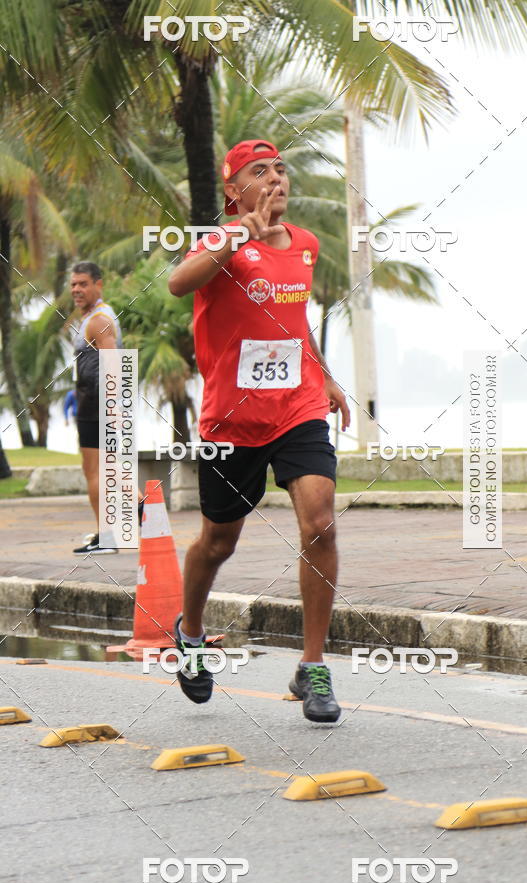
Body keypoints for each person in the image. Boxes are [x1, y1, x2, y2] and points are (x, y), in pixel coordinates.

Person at [168, 139, 351, 723]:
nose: (276, 179)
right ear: (233, 190)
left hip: (296, 409)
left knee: (320, 522)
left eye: (280, 169)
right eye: (259, 172)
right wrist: (236, 240)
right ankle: (191, 635)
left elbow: (294, 321)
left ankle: (313, 666)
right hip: (232, 420)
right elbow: (179, 283)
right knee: (218, 542)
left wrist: (325, 379)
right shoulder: (220, 242)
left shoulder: (305, 245)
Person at [70, 261, 144, 554]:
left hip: (99, 406)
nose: (77, 289)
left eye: (83, 284)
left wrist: (113, 409)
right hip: (94, 403)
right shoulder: (92, 317)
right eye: (74, 284)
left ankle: (109, 536)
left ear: (98, 285)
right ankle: (139, 517)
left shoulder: (100, 320)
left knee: (96, 471)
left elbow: (112, 365)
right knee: (112, 469)